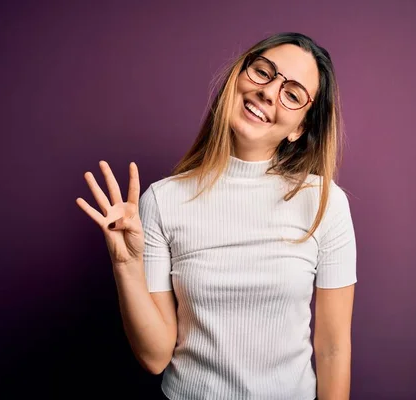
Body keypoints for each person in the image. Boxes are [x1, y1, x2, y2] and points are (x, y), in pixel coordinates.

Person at [76, 32, 357, 400]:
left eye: (292, 94)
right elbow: (155, 357)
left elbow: (333, 349)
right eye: (263, 72)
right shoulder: (162, 200)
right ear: (238, 76)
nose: (269, 92)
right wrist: (127, 264)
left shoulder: (326, 203)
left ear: (300, 128)